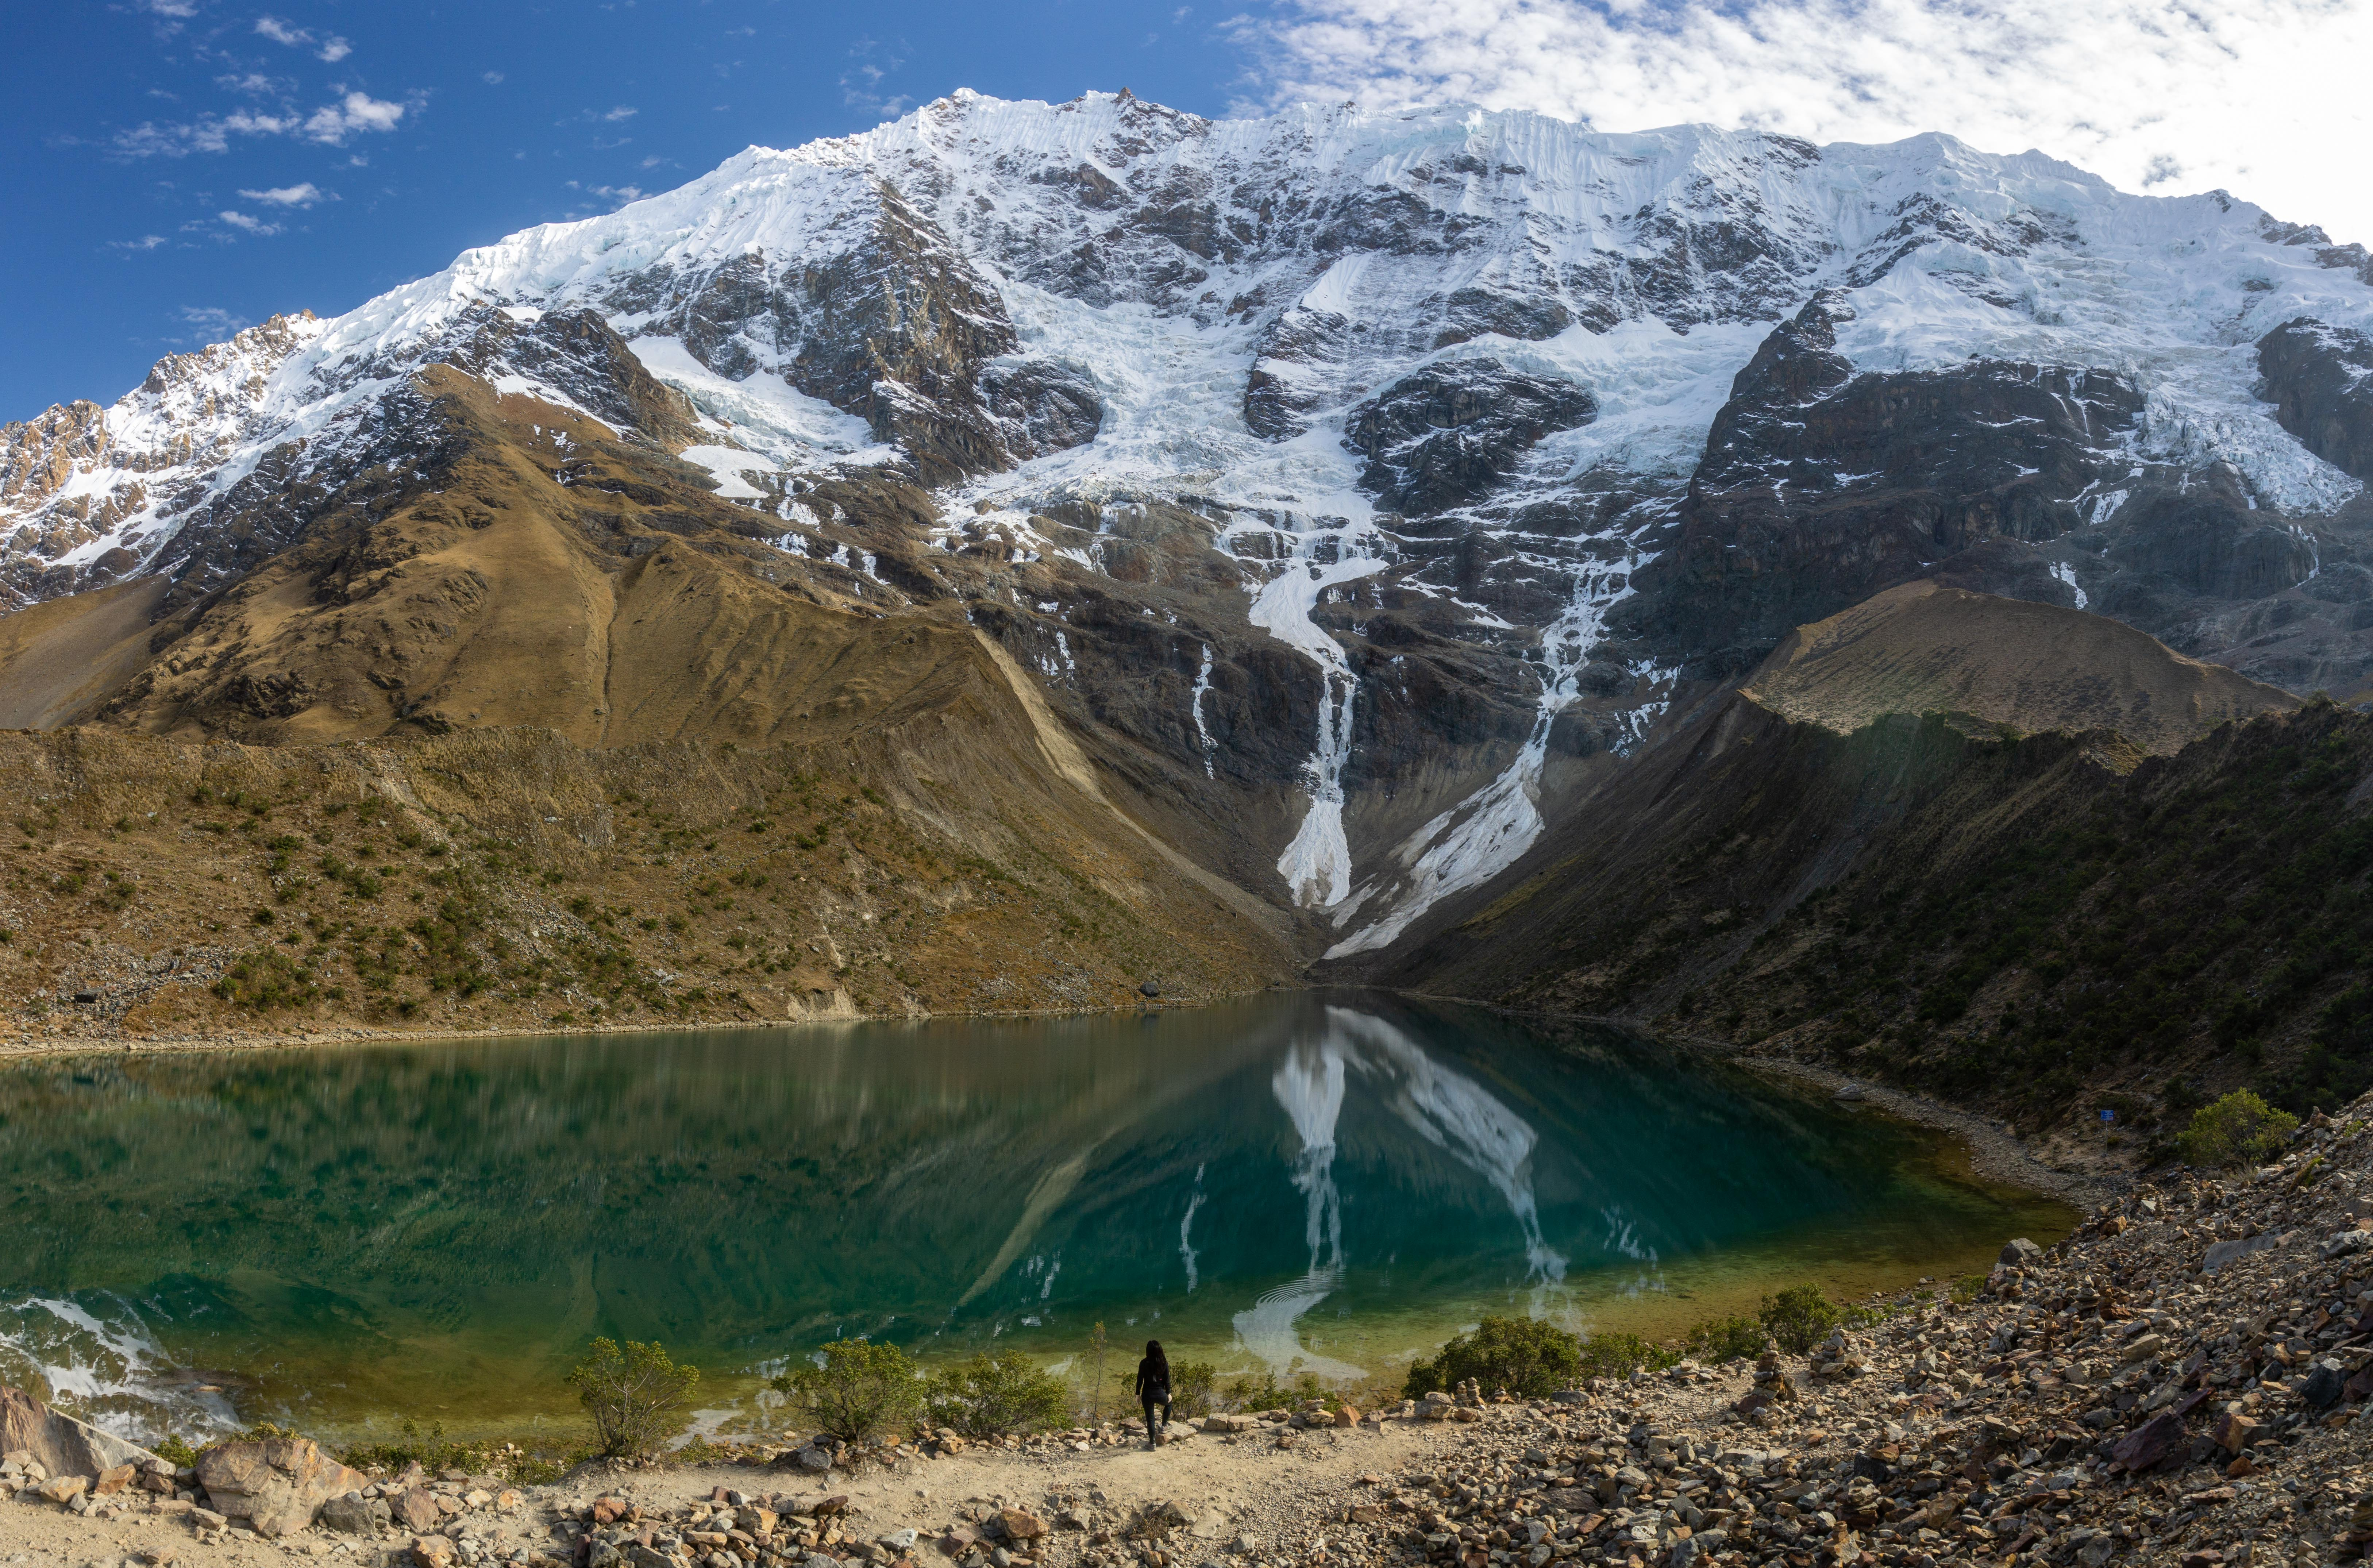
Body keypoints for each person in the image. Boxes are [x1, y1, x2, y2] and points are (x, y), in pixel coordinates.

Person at [1134, 1340, 1171, 1449]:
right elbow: (1167, 1381)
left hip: (1147, 1395)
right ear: (1160, 1351)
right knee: (1169, 1404)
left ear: (1148, 1351)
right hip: (1160, 1394)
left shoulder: (1144, 1363)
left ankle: (1152, 1444)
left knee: (1151, 1418)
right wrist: (1168, 1393)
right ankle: (1164, 1425)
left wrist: (1137, 1394)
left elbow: (1140, 1379)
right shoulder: (1164, 1363)